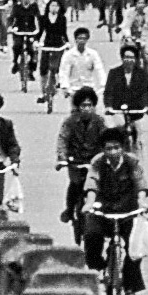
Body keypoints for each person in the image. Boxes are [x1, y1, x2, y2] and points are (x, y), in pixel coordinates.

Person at [81, 127, 148, 295]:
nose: (112, 152)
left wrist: (141, 202)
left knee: (133, 248)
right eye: (108, 148)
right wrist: (90, 203)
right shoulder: (98, 162)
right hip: (103, 209)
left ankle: (130, 286)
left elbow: (140, 183)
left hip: (127, 209)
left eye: (116, 148)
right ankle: (99, 268)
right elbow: (92, 183)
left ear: (122, 148)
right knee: (91, 235)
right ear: (103, 149)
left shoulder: (131, 162)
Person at [55, 87, 106, 232]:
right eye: (83, 106)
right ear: (78, 107)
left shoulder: (99, 122)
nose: (86, 109)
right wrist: (62, 159)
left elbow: (105, 140)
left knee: (98, 186)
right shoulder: (70, 122)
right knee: (75, 185)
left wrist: (104, 157)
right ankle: (70, 210)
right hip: (75, 162)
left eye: (89, 106)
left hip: (94, 161)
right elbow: (62, 141)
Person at [103, 43, 148, 139]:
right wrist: (108, 106)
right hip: (117, 109)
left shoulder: (142, 73)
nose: (129, 60)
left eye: (132, 57)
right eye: (126, 57)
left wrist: (146, 106)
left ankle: (137, 152)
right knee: (119, 128)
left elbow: (145, 92)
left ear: (135, 59)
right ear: (122, 58)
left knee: (137, 133)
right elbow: (108, 91)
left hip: (136, 110)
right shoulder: (114, 73)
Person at [60, 27, 107, 98]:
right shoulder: (68, 55)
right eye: (79, 38)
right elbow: (64, 71)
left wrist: (103, 84)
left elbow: (99, 69)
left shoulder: (93, 54)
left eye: (84, 38)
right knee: (75, 108)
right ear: (75, 39)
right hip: (74, 89)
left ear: (87, 40)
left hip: (89, 88)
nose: (82, 41)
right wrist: (65, 87)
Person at [37, 0, 70, 101]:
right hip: (47, 44)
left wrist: (67, 43)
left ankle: (56, 83)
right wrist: (36, 41)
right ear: (48, 7)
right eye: (52, 5)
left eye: (56, 6)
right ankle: (43, 92)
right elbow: (41, 32)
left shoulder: (62, 19)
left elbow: (64, 32)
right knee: (43, 69)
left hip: (58, 45)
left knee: (56, 67)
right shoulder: (43, 18)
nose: (54, 8)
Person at [9, 0, 42, 78]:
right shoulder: (17, 7)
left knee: (33, 50)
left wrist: (39, 29)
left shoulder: (34, 6)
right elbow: (11, 18)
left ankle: (31, 69)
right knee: (17, 46)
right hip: (19, 30)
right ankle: (15, 62)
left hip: (31, 31)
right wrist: (11, 27)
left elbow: (38, 18)